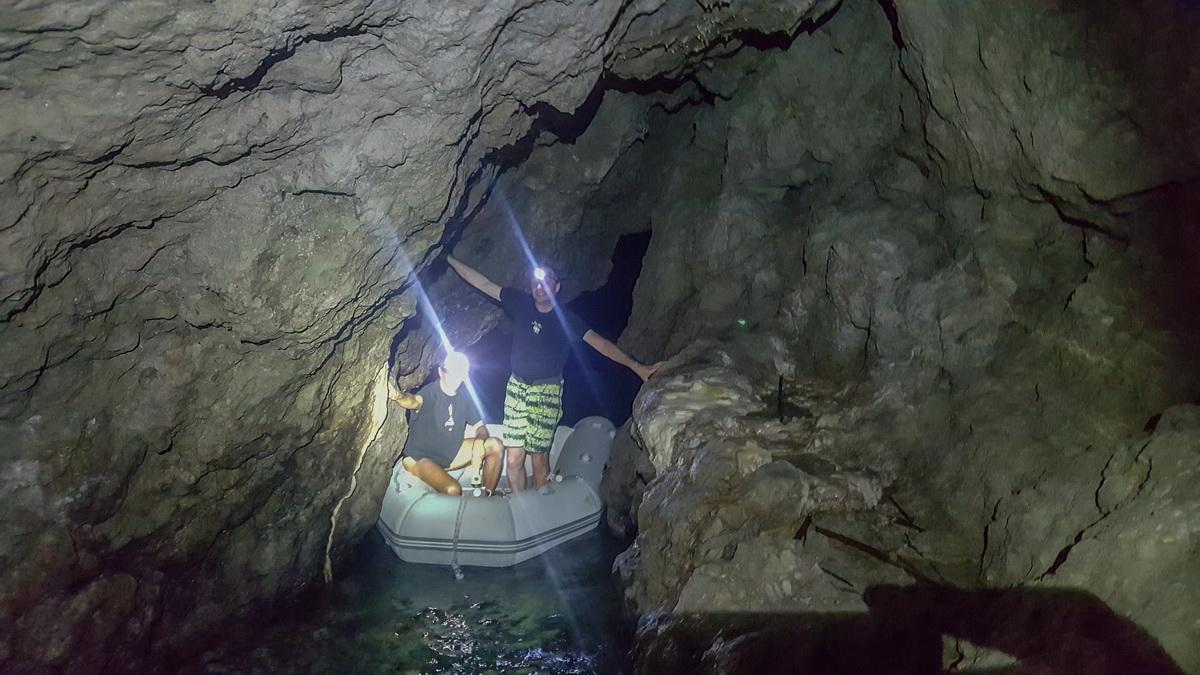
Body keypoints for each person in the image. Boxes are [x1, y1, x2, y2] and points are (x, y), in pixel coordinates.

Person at [447, 255, 662, 491]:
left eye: (547, 280)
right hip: (516, 388)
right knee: (514, 459)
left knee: (538, 459)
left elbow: (601, 344)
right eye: (536, 280)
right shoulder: (520, 302)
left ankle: (539, 504)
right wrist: (448, 258)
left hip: (546, 391)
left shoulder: (566, 319)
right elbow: (483, 283)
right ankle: (520, 504)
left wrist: (636, 367)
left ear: (557, 287)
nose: (540, 286)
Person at [390, 350, 503, 495]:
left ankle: (487, 495)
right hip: (421, 457)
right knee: (453, 489)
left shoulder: (464, 395)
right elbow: (414, 401)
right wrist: (398, 396)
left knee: (495, 445)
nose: (457, 377)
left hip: (450, 453)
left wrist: (479, 443)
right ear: (441, 372)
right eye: (452, 372)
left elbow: (480, 427)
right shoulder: (431, 392)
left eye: (460, 373)